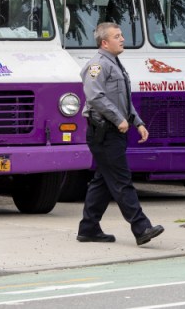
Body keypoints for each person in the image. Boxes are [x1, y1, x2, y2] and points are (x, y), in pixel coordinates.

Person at [77, 22, 164, 245]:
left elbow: (123, 100)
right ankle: (141, 227)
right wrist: (118, 119)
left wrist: (138, 122)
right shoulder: (97, 65)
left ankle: (89, 228)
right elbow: (95, 97)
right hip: (104, 132)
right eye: (117, 36)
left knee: (103, 181)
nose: (122, 39)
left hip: (114, 130)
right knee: (121, 180)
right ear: (104, 42)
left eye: (121, 35)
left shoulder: (115, 64)